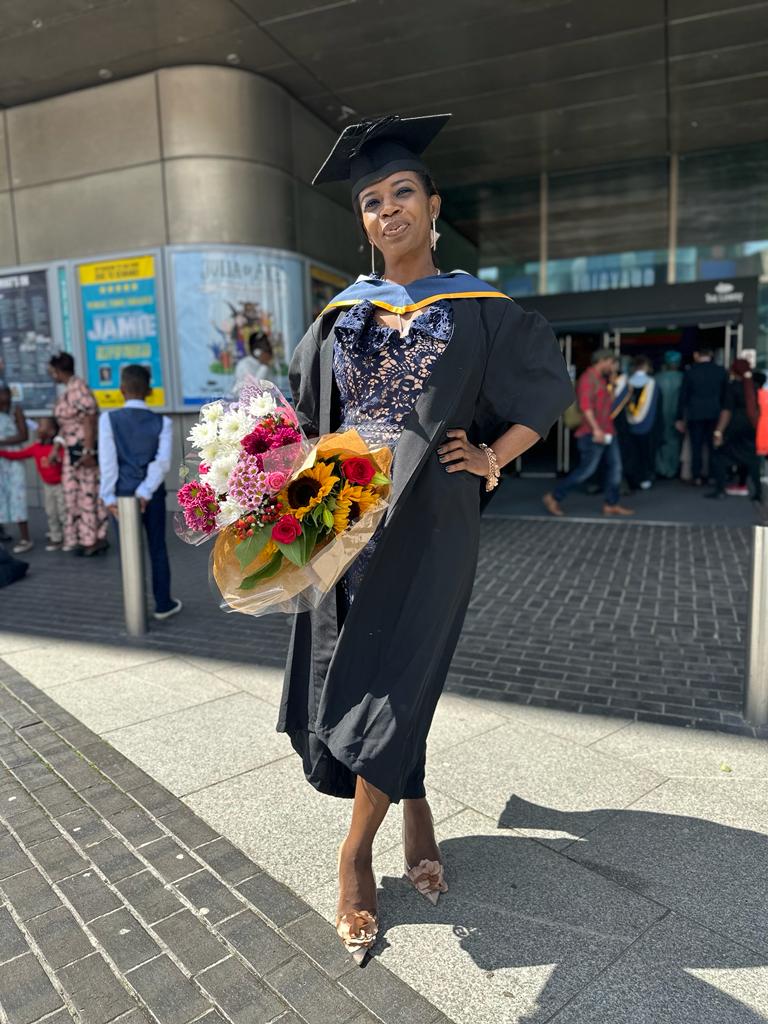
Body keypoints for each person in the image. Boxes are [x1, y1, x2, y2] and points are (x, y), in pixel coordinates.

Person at [284, 113, 573, 964]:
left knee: (406, 670)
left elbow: (543, 389)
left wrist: (491, 456)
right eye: (372, 201)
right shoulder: (341, 314)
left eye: (402, 192)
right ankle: (414, 804)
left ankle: (353, 853)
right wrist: (264, 473)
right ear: (364, 221)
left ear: (432, 204)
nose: (387, 210)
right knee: (373, 672)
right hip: (348, 526)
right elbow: (298, 416)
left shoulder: (478, 308)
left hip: (437, 526)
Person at [98, 365, 182, 620]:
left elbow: (108, 462)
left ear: (121, 389)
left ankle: (134, 604)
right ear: (149, 391)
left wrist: (108, 497)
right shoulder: (163, 422)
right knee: (157, 546)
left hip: (120, 496)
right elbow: (162, 463)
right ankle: (162, 604)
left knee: (127, 550)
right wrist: (145, 491)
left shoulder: (108, 419)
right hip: (152, 496)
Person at [543, 350, 633, 517]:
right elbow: (586, 408)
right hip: (592, 433)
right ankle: (554, 497)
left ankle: (611, 504)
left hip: (608, 432)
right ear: (603, 360)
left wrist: (612, 384)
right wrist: (596, 429)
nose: (614, 367)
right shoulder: (587, 379)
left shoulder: (602, 379)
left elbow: (609, 404)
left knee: (615, 468)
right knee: (586, 471)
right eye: (612, 363)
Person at [48, 353, 109, 556]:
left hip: (83, 452)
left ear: (58, 370)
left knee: (88, 493)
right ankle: (83, 537)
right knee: (74, 494)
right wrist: (57, 447)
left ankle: (95, 538)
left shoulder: (78, 388)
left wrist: (88, 451)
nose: (51, 375)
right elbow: (66, 426)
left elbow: (89, 419)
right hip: (71, 452)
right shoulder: (68, 390)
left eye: (52, 371)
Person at [0, 417, 65, 551]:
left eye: (42, 426)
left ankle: (68, 535)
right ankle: (56, 537)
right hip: (48, 486)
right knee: (51, 512)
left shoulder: (57, 449)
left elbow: (64, 461)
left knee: (64, 512)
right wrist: (2, 453)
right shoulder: (36, 448)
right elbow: (19, 455)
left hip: (61, 486)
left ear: (52, 431)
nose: (37, 429)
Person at [707, 358, 762, 502]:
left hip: (734, 426)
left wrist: (718, 431)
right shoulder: (755, 386)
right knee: (751, 459)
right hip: (751, 426)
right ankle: (757, 492)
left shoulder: (732, 387)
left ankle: (720, 489)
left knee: (719, 456)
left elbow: (727, 410)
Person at [675, 347, 728, 486]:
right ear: (711, 355)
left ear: (696, 355)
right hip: (715, 413)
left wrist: (679, 417)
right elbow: (725, 396)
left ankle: (697, 475)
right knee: (713, 446)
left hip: (695, 414)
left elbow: (683, 397)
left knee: (696, 446)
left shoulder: (690, 372)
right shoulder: (721, 371)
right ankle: (712, 475)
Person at [0, 384, 31, 553]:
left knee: (17, 496)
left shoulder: (15, 410)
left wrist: (3, 442)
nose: (5, 396)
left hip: (13, 458)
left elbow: (24, 435)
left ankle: (25, 537)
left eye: (6, 393)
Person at [623, 356, 660, 491]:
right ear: (647, 367)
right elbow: (657, 408)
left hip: (629, 424)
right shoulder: (652, 383)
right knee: (646, 453)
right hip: (648, 425)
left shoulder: (627, 382)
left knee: (632, 454)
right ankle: (645, 478)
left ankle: (633, 479)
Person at [655, 350, 683, 478]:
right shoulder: (683, 378)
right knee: (675, 441)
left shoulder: (657, 378)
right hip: (677, 414)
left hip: (660, 414)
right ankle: (673, 468)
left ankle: (662, 468)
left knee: (661, 440)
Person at [232, 333, 273, 398]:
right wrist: (264, 365)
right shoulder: (244, 364)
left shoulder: (265, 365)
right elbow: (254, 388)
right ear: (257, 350)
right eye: (265, 345)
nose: (269, 349)